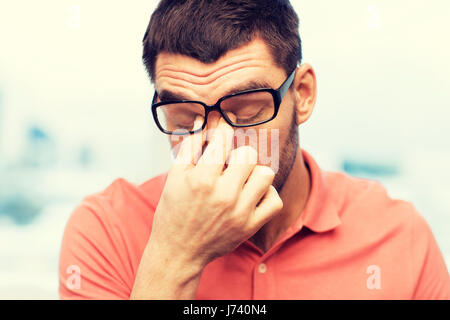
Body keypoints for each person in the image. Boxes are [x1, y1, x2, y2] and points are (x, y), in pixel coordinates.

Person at [58, 0, 450, 299]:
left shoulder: (399, 237)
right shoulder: (106, 230)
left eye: (245, 112)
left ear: (303, 94)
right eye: (183, 117)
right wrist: (175, 257)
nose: (215, 144)